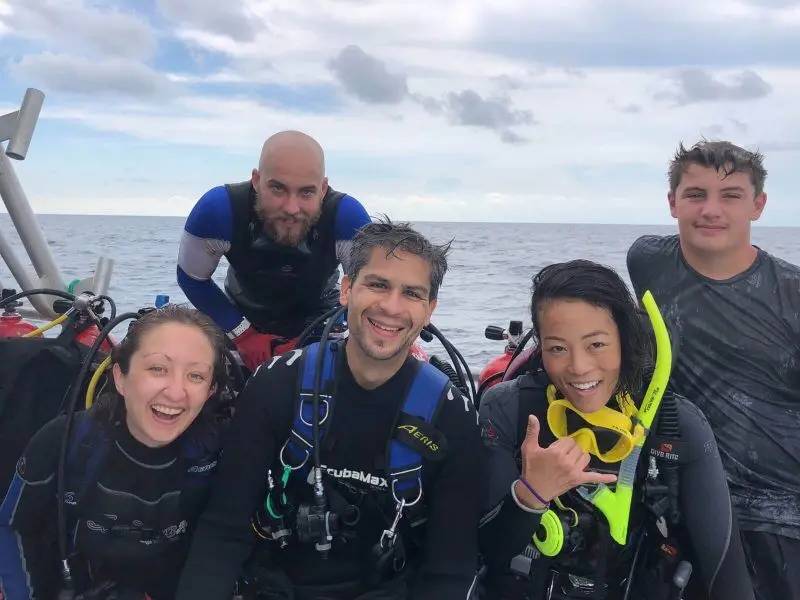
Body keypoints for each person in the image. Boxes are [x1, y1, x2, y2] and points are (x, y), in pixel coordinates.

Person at [175, 219, 483, 600]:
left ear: (429, 310)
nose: (391, 306)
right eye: (378, 284)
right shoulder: (277, 386)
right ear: (346, 289)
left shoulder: (451, 416)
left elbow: (450, 569)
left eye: (412, 293)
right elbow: (224, 530)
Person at [479, 260, 754, 600]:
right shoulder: (511, 410)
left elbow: (725, 571)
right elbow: (481, 553)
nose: (579, 368)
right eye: (557, 348)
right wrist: (531, 495)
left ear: (625, 339)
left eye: (596, 344)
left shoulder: (675, 424)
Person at [626, 141, 800, 600]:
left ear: (758, 205)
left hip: (778, 513)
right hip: (678, 499)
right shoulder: (647, 261)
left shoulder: (792, 295)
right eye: (696, 194)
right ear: (672, 203)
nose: (711, 210)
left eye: (731, 196)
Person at [0, 306, 227, 600]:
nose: (175, 392)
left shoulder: (214, 454)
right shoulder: (68, 440)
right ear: (121, 377)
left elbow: (227, 537)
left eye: (196, 376)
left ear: (210, 392)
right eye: (158, 368)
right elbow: (13, 526)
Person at [177, 130, 371, 372]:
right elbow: (192, 279)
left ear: (323, 189)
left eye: (306, 192)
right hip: (240, 314)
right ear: (256, 181)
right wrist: (243, 334)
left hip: (319, 317)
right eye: (278, 189)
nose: (291, 208)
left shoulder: (346, 219)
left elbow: (368, 290)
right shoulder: (219, 211)